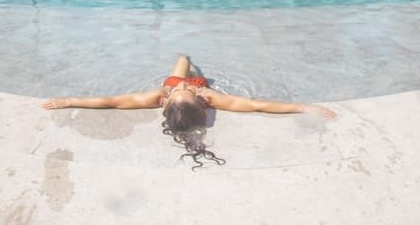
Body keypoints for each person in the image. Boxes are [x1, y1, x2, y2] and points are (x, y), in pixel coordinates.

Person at [42, 54, 337, 169]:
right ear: (200, 102)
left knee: (181, 59)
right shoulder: (209, 95)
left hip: (171, 82)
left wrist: (70, 101)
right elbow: (258, 105)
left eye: (183, 91)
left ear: (168, 101)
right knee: (188, 63)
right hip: (200, 81)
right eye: (188, 91)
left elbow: (113, 101)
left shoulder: (161, 93)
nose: (185, 87)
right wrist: (302, 107)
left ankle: (187, 60)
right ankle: (191, 63)